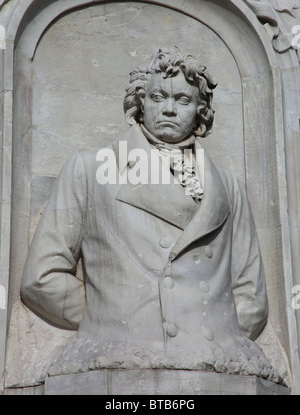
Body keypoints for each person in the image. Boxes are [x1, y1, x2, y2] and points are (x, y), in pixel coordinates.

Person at [21, 47, 281, 382]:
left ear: (201, 110)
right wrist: (117, 317)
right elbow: (42, 278)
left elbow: (251, 295)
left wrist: (206, 327)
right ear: (141, 102)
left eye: (184, 100)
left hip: (219, 361)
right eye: (159, 96)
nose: (170, 108)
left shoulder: (228, 187)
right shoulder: (89, 169)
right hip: (116, 356)